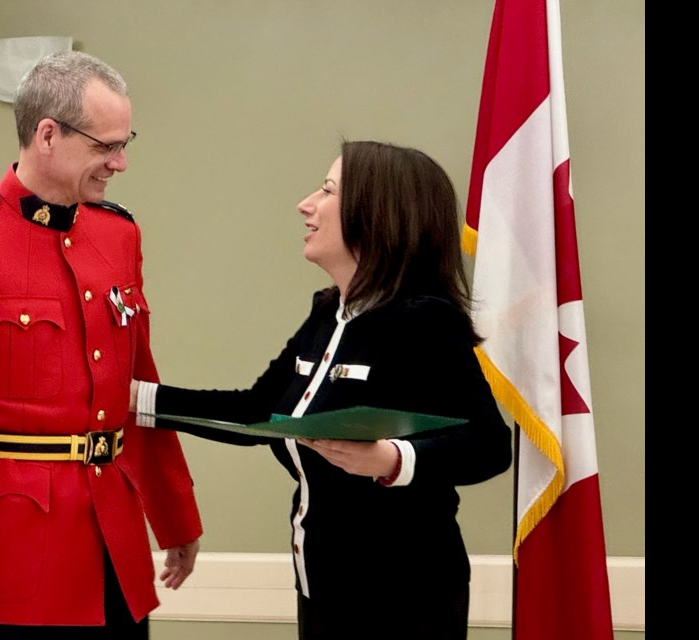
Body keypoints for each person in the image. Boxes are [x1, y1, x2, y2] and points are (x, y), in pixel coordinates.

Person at [0, 50, 203, 640]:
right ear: (48, 134)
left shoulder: (118, 234)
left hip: (116, 555)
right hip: (14, 569)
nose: (121, 162)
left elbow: (139, 390)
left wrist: (175, 515)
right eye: (106, 146)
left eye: (126, 143)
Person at [130, 141, 512, 639]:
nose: (305, 204)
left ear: (375, 214)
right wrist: (130, 398)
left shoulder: (422, 321)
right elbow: (257, 412)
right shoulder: (327, 314)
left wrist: (392, 461)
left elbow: (489, 444)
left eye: (327, 191)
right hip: (321, 587)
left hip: (402, 600)